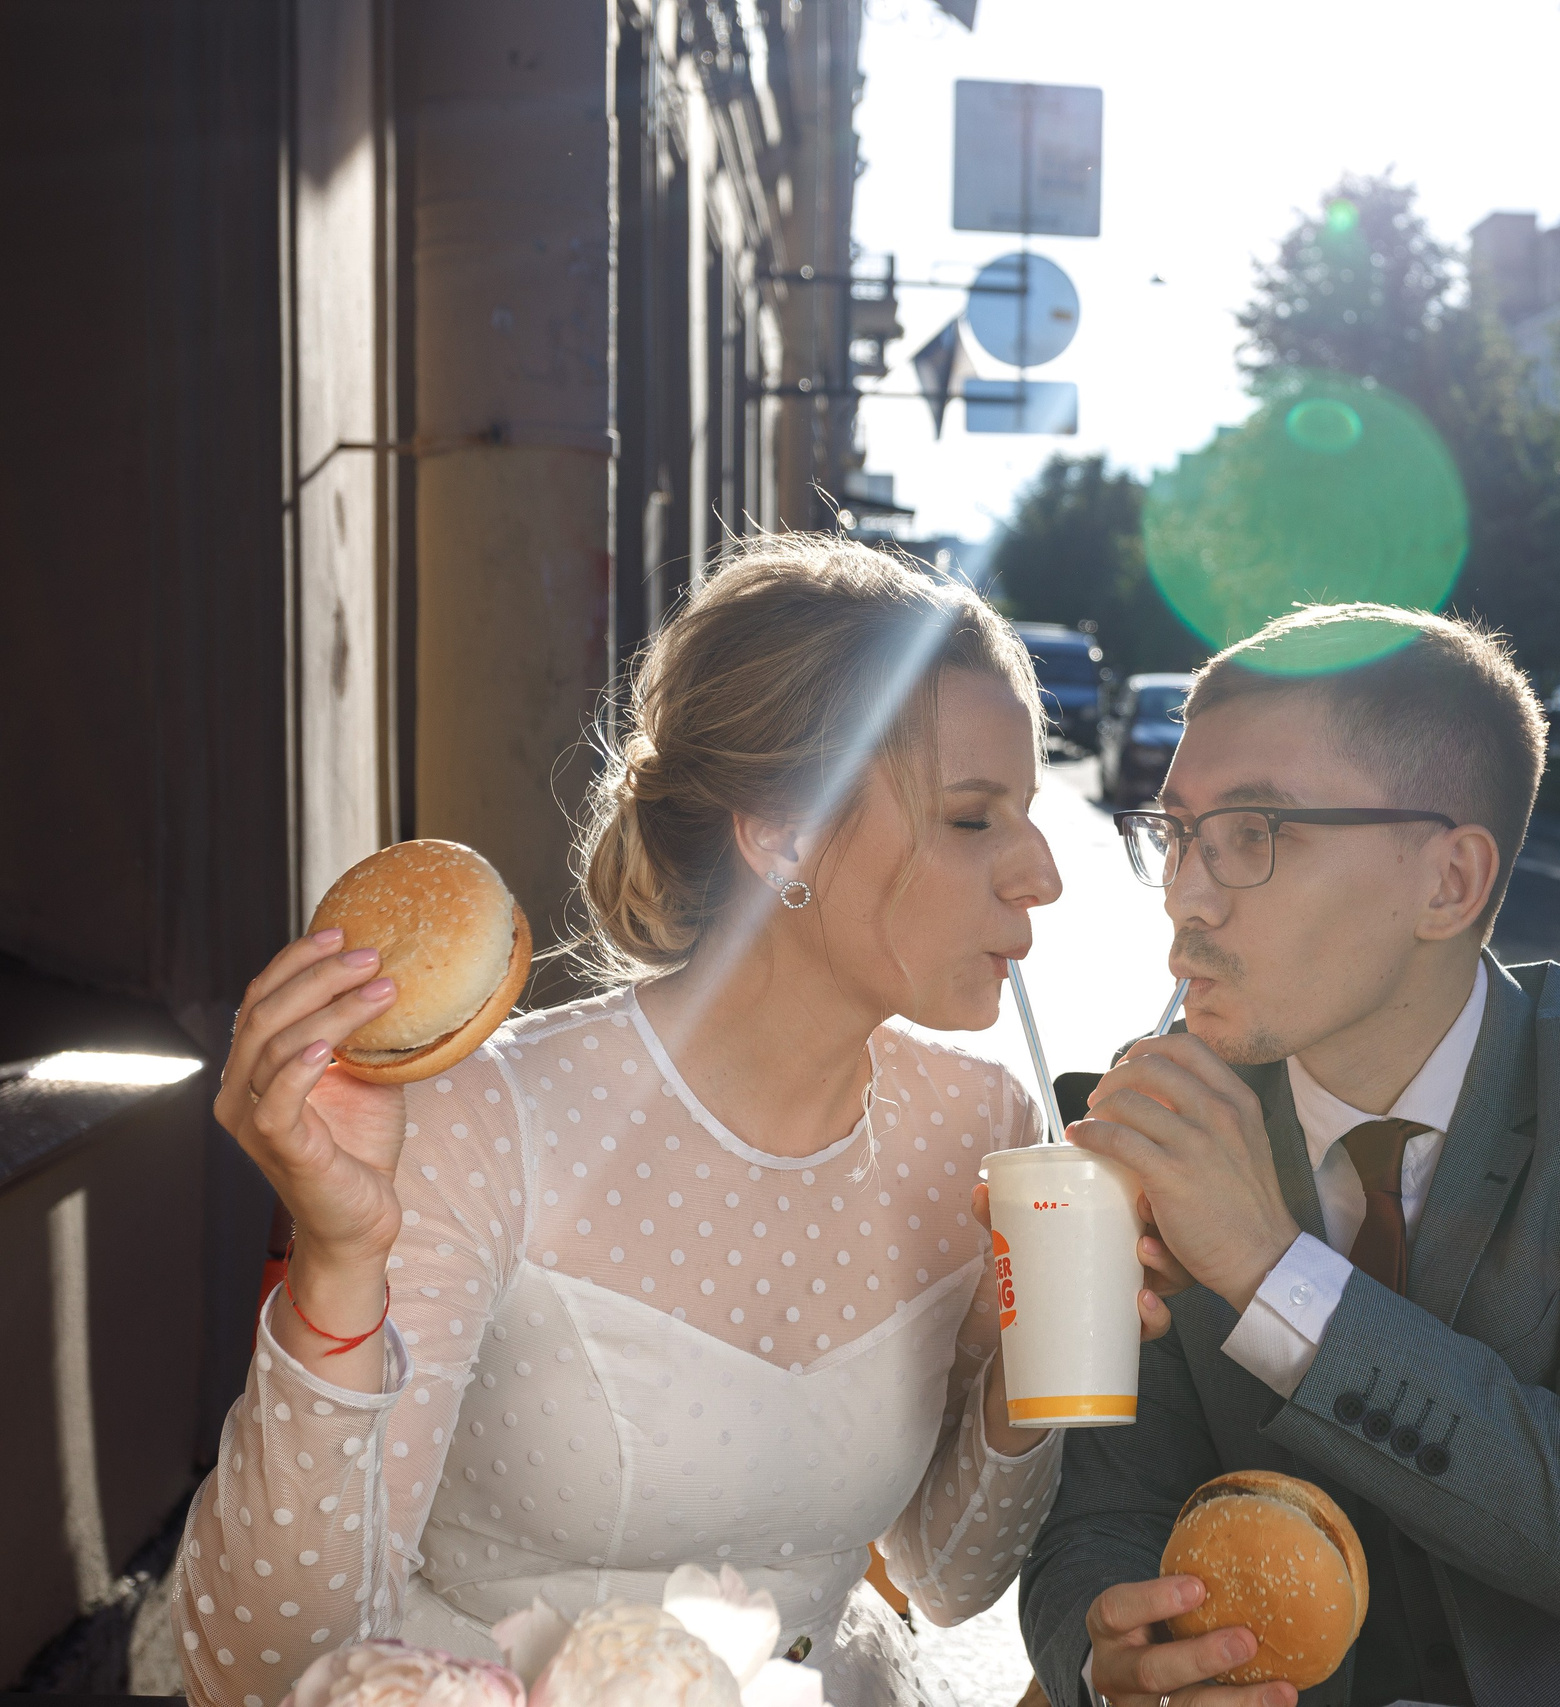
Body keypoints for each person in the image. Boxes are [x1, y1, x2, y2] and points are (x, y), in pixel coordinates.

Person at [177, 537, 1174, 1707]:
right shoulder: (482, 1121)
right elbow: (263, 1668)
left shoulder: (979, 1123)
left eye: (1026, 814)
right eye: (972, 819)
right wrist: (339, 1264)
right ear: (784, 832)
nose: (1041, 874)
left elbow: (947, 1580)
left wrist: (1026, 1377)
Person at [1020, 606, 1560, 1706]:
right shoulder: (1175, 1107)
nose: (1185, 894)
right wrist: (1111, 1657)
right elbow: (1102, 1511)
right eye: (1176, 833)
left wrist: (1271, 1270)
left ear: (1450, 882)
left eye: (1254, 833)